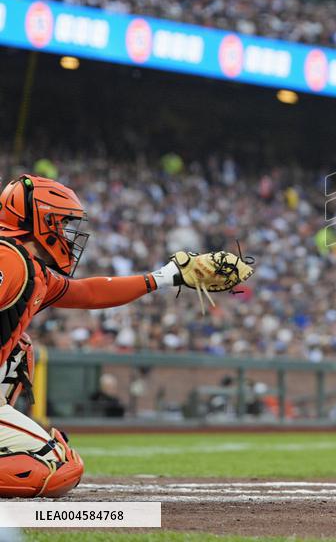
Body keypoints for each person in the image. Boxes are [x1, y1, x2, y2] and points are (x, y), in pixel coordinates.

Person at [0, 174, 252, 496]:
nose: (67, 233)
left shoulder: (28, 267)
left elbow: (89, 293)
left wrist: (165, 277)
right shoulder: (10, 258)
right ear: (42, 219)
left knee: (20, 346)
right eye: (62, 223)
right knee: (58, 469)